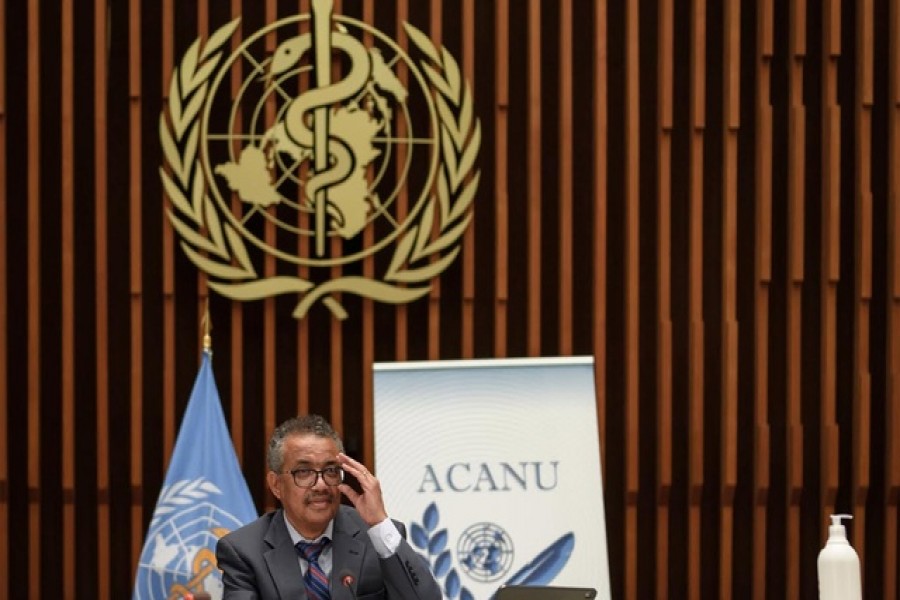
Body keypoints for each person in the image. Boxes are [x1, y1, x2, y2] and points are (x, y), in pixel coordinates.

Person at [216, 414, 442, 600]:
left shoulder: (376, 538)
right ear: (276, 485)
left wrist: (379, 523)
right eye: (303, 472)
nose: (321, 484)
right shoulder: (244, 551)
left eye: (331, 470)